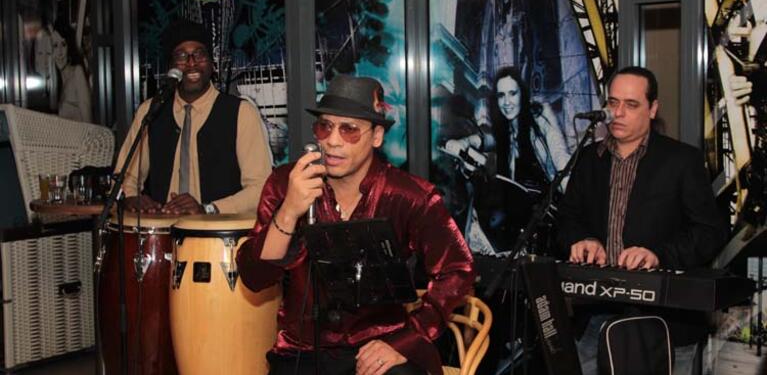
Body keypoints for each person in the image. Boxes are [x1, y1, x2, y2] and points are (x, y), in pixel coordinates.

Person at [236, 75, 474, 375]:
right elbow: (254, 277)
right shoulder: (287, 183)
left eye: (348, 129)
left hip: (379, 348)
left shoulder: (409, 195)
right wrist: (289, 212)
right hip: (303, 352)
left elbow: (458, 270)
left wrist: (407, 338)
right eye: (324, 126)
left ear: (376, 136)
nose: (332, 141)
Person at [557, 66, 727, 375]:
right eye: (613, 102)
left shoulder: (681, 160)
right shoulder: (588, 159)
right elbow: (567, 218)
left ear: (653, 109)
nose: (618, 113)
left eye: (631, 104)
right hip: (596, 317)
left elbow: (709, 232)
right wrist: (582, 239)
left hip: (667, 325)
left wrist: (658, 255)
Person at [114, 19, 272, 215]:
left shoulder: (241, 112)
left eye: (199, 54)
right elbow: (124, 177)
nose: (191, 63)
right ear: (171, 67)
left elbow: (261, 188)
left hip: (220, 232)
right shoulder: (151, 111)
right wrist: (131, 198)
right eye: (181, 56)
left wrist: (208, 209)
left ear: (212, 64)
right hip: (162, 230)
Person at [444, 67, 569, 254]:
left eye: (513, 93)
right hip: (519, 216)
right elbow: (484, 139)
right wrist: (463, 142)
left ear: (522, 94)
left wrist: (572, 197)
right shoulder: (505, 130)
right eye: (501, 95)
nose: (507, 102)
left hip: (547, 214)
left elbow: (560, 156)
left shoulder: (540, 116)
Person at [52, 21, 92, 123]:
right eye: (55, 46)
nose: (60, 52)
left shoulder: (77, 73)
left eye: (63, 44)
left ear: (69, 47)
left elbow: (88, 123)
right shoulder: (58, 81)